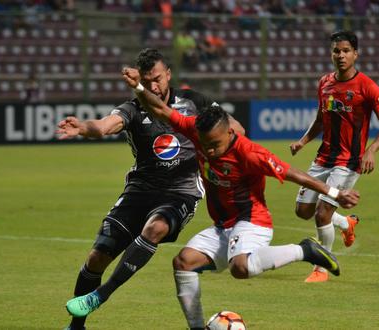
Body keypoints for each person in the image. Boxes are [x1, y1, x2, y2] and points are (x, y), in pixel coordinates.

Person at [119, 66, 360, 329]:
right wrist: (139, 88)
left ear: (230, 133)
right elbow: (162, 110)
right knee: (183, 263)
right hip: (223, 225)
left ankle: (305, 250)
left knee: (240, 268)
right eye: (205, 144)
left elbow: (295, 175)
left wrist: (336, 193)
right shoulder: (195, 130)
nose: (209, 150)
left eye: (215, 145)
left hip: (252, 221)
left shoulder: (249, 153)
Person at [59, 48, 244, 330]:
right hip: (140, 191)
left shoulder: (195, 102)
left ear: (168, 74)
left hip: (181, 192)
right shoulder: (132, 109)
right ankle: (76, 326)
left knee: (155, 229)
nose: (153, 86)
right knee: (97, 257)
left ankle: (101, 296)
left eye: (157, 79)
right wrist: (83, 128)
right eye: (147, 81)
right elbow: (105, 125)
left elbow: (236, 129)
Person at [290, 30, 379, 283]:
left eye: (346, 50)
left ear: (355, 54)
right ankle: (347, 224)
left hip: (349, 162)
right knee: (303, 210)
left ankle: (321, 269)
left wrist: (371, 150)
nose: (341, 55)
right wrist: (303, 141)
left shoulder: (367, 87)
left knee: (322, 213)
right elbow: (320, 119)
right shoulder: (324, 82)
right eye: (337, 50)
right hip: (323, 157)